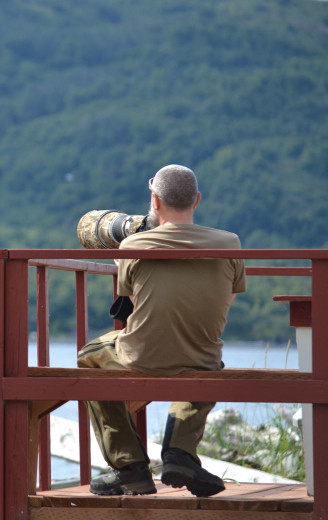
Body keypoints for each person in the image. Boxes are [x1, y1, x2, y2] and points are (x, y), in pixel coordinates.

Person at [77, 164, 246, 497]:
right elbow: (225, 302)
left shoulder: (134, 246)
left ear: (154, 201)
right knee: (204, 362)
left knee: (89, 359)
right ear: (196, 200)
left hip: (142, 357)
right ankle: (180, 453)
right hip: (202, 356)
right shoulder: (231, 242)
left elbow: (130, 297)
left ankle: (130, 468)